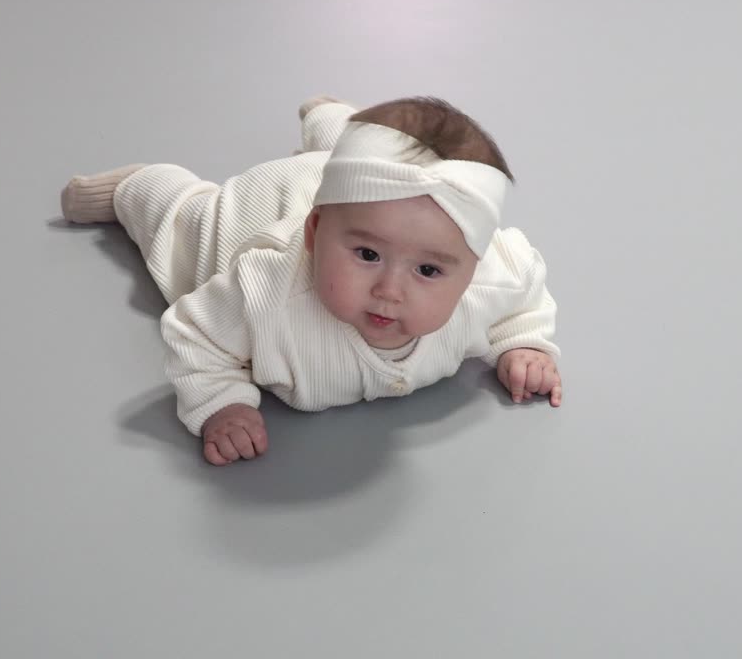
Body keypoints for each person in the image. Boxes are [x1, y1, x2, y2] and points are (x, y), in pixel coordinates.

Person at [61, 96, 562, 465]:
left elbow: (525, 298)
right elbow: (196, 335)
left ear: (473, 267)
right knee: (182, 224)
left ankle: (334, 125)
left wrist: (523, 343)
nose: (390, 289)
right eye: (367, 255)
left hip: (348, 192)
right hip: (256, 209)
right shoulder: (261, 291)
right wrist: (222, 402)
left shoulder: (496, 273)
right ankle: (140, 184)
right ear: (315, 232)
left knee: (357, 164)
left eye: (428, 271)